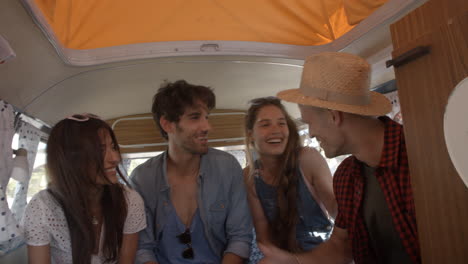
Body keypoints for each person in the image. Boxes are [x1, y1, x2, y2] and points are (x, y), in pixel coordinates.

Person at [259, 52, 420, 263]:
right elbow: (340, 247)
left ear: (333, 116)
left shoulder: (421, 156)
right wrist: (292, 261)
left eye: (309, 123)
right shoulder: (347, 175)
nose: (312, 133)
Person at [130, 80, 252, 264]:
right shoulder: (142, 178)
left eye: (207, 117)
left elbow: (240, 238)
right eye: (195, 117)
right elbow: (142, 249)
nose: (207, 127)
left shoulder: (227, 167)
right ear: (167, 124)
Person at [21, 113, 147, 264]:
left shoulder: (129, 200)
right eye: (101, 150)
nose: (115, 158)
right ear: (71, 158)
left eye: (113, 147)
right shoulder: (42, 208)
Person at [243, 97, 336, 260]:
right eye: (265, 124)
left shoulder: (307, 159)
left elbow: (339, 214)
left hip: (323, 256)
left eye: (281, 123)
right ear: (251, 135)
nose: (276, 130)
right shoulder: (249, 177)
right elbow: (264, 240)